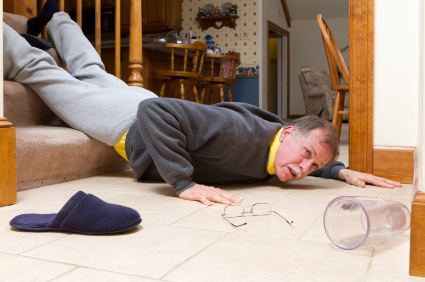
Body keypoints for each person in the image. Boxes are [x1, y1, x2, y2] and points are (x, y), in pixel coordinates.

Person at [3, 3, 401, 206]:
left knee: (90, 70)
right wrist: (184, 183)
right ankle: (17, 39)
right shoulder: (242, 137)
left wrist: (340, 171)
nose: (303, 170)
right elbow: (155, 112)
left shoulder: (277, 148)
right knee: (41, 71)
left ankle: (57, 17)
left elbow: (311, 154)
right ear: (287, 131)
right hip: (128, 120)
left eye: (312, 167)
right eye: (308, 157)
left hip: (139, 103)